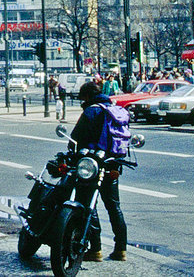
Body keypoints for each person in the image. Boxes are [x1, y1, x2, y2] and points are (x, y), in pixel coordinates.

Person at [70, 82, 129, 262]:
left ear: (86, 96)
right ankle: (121, 250)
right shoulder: (114, 109)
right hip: (113, 164)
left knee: (88, 204)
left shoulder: (91, 111)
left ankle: (95, 249)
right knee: (114, 207)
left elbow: (75, 138)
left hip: (93, 165)